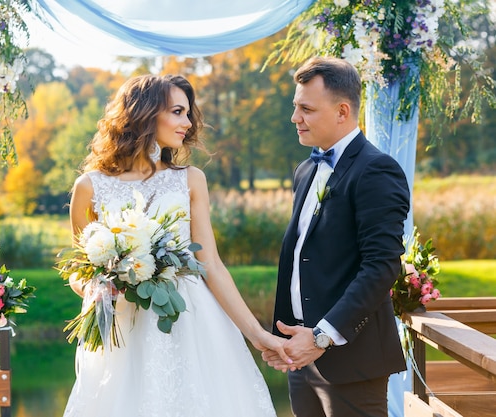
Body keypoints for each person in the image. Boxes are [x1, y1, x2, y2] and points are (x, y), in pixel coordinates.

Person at [63, 74, 288, 417]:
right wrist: (99, 287)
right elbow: (78, 273)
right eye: (178, 112)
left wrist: (258, 334)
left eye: (188, 114)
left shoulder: (191, 179)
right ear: (146, 113)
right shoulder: (89, 187)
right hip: (124, 328)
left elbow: (211, 264)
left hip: (190, 320)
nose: (188, 123)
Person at [262, 57, 411, 416]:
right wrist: (286, 338)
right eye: (295, 107)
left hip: (351, 362)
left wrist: (321, 337)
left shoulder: (377, 170)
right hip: (301, 358)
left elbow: (381, 267)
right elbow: (303, 255)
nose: (294, 118)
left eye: (306, 109)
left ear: (342, 111)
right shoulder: (306, 169)